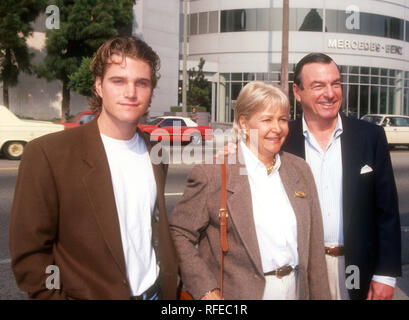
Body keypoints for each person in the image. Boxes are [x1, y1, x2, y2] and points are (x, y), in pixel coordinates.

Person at [9, 36, 178, 300]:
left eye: (141, 83)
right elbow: (29, 255)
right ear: (99, 86)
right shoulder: (47, 154)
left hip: (154, 292)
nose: (130, 93)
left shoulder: (155, 152)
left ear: (151, 90)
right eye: (118, 81)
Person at [169, 82, 330, 300]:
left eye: (282, 119)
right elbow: (178, 233)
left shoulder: (300, 170)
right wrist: (205, 289)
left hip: (295, 291)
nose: (277, 128)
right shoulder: (213, 173)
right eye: (266, 120)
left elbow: (314, 253)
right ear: (244, 123)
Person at [283, 53, 401, 300]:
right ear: (297, 92)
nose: (330, 93)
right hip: (299, 270)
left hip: (356, 268)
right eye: (318, 86)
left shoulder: (370, 137)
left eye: (336, 84)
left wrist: (386, 275)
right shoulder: (281, 139)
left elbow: (387, 212)